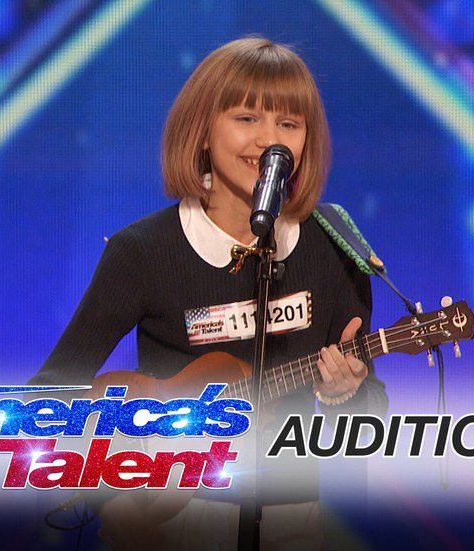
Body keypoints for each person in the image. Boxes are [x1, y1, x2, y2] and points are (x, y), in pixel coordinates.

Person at [28, 37, 388, 549]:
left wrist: (342, 395)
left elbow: (369, 413)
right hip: (169, 519)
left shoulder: (333, 245)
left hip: (292, 516)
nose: (270, 141)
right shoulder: (144, 251)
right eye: (247, 118)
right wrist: (114, 492)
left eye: (289, 124)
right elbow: (49, 393)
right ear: (202, 130)